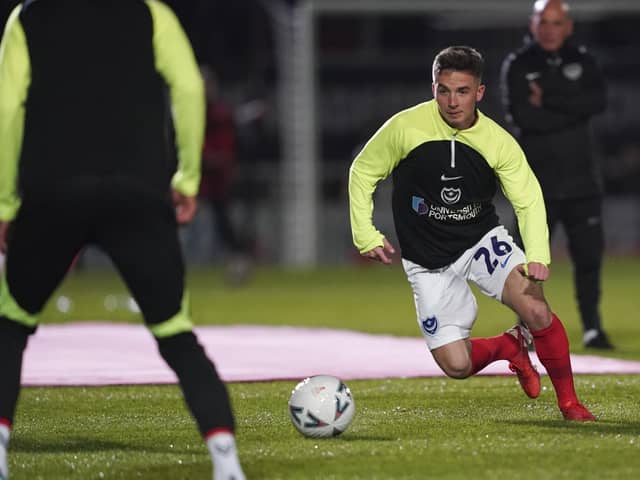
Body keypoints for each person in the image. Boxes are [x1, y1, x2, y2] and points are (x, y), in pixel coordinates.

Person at [0, 1, 245, 479]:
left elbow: (7, 107)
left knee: (10, 328)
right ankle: (226, 462)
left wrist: (6, 202)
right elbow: (190, 87)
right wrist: (187, 177)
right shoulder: (150, 13)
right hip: (138, 193)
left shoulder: (28, 16)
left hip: (53, 191)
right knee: (175, 333)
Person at [349, 45, 596, 422]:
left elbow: (527, 197)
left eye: (462, 91)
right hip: (427, 259)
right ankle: (509, 346)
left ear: (479, 92)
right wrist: (365, 234)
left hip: (480, 241)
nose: (452, 101)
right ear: (433, 87)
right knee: (457, 365)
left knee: (536, 309)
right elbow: (362, 172)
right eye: (443, 90)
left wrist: (538, 255)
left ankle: (569, 403)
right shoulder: (405, 127)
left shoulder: (497, 141)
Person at [500, 0, 612, 349]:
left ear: (568, 26)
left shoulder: (584, 60)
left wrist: (547, 96)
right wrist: (571, 108)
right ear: (533, 25)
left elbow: (597, 103)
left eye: (556, 22)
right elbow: (523, 118)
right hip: (536, 185)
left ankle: (593, 328)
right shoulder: (518, 64)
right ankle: (526, 327)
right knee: (528, 262)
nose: (549, 29)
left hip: (582, 184)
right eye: (543, 22)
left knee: (589, 258)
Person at [198, 65, 252, 285]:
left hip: (216, 181)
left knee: (225, 226)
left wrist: (214, 159)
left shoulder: (219, 114)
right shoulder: (193, 113)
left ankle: (239, 263)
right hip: (196, 180)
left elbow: (226, 150)